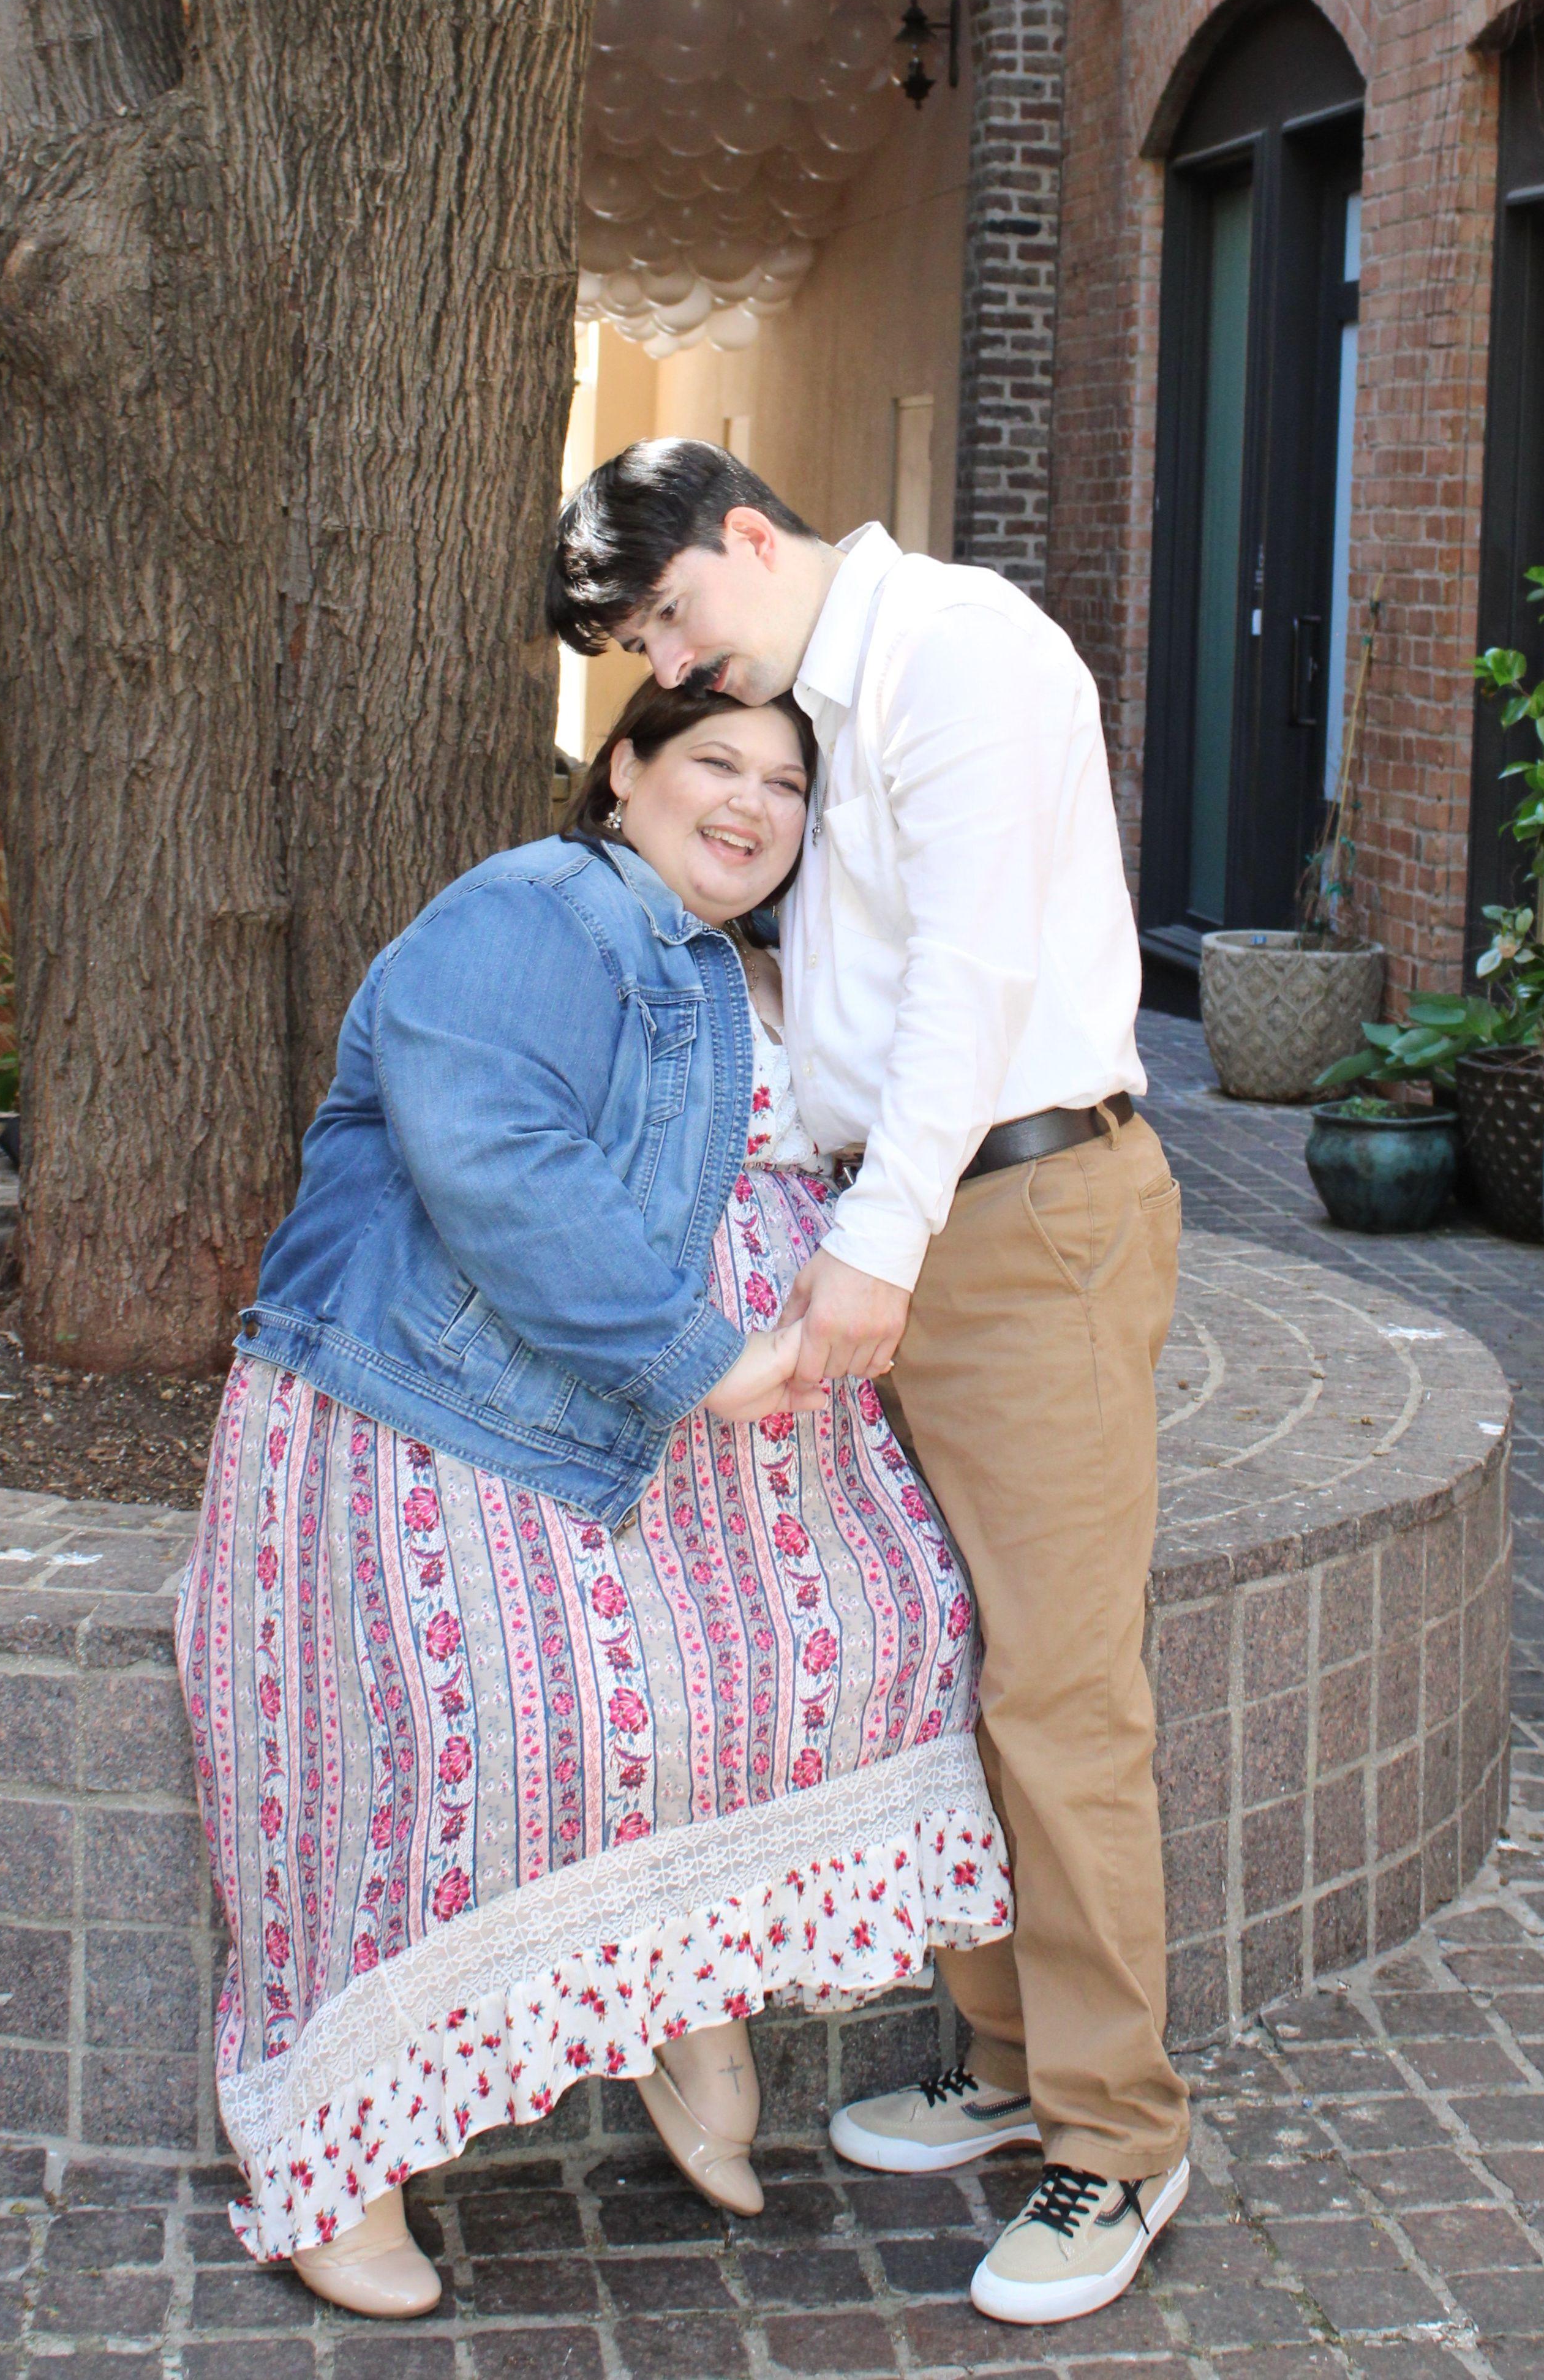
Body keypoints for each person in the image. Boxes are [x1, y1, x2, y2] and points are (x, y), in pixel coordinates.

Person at [176, 681, 1013, 2317]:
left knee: (877, 1641)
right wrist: (695, 1356)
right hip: (456, 1400)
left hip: (727, 1429)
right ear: (623, 768)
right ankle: (345, 2150)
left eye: (786, 782)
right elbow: (492, 1151)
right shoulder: (538, 905)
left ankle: (677, 1990)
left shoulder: (759, 963)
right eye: (715, 762)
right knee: (481, 1738)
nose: (751, 803)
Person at [546, 441, 1191, 2329]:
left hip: (1019, 1214)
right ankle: (1008, 2061)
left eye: (673, 614)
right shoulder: (827, 697)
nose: (676, 662)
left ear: (748, 534)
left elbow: (971, 981)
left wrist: (876, 1246)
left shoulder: (958, 650)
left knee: (1060, 1687)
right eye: (645, 648)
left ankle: (1122, 2136)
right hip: (911, 1222)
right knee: (941, 1648)